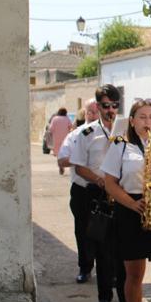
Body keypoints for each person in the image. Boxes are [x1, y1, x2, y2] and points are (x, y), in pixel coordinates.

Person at [101, 99, 151, 302]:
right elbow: (110, 183)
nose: (148, 122)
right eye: (142, 117)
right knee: (134, 272)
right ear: (132, 121)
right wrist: (131, 204)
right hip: (131, 208)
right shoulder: (120, 145)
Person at [70, 85, 127, 302]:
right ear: (98, 106)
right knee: (102, 249)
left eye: (115, 105)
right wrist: (101, 181)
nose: (111, 110)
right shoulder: (87, 133)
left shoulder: (126, 130)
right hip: (98, 193)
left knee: (122, 250)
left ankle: (125, 298)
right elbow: (79, 167)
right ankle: (105, 298)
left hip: (121, 193)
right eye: (106, 106)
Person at [57, 99, 99, 283]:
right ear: (85, 113)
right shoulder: (76, 134)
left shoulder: (114, 134)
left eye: (97, 111)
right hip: (83, 190)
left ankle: (110, 271)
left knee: (108, 233)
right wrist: (80, 159)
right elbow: (62, 159)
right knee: (83, 231)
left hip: (106, 190)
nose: (94, 115)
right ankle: (85, 267)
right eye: (91, 112)